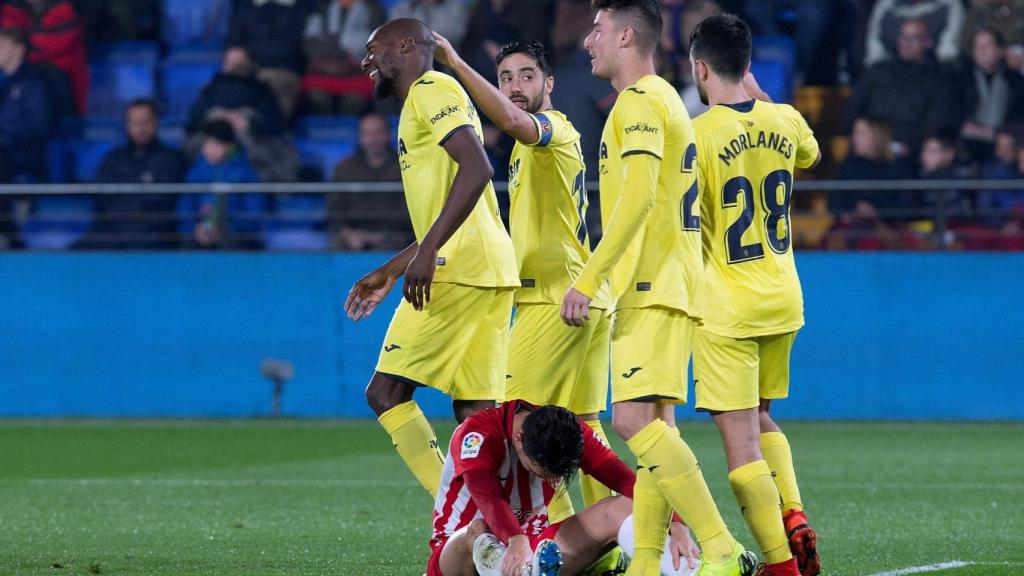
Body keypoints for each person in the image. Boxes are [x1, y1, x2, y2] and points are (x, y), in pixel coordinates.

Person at [560, 2, 755, 575]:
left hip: (651, 283)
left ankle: (722, 548)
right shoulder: (667, 96)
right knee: (656, 432)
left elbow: (638, 198)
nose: (588, 40)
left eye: (597, 30)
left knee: (632, 424)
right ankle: (647, 560)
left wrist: (590, 278)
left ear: (625, 35)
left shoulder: (641, 101)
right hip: (670, 280)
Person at [433, 34, 615, 513]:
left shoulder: (553, 128)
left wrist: (454, 63)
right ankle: (617, 540)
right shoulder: (526, 148)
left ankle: (543, 544)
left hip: (556, 302)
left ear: (549, 82)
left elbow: (513, 120)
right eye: (505, 78)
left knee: (520, 429)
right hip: (584, 297)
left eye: (526, 76)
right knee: (584, 427)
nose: (514, 87)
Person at [343, 19, 518, 499]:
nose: (367, 63)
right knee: (479, 414)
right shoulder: (434, 96)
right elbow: (451, 198)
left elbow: (478, 167)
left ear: (404, 46)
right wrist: (392, 267)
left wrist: (432, 251)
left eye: (373, 49)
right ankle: (525, 527)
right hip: (487, 268)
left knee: (385, 393)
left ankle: (460, 514)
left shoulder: (430, 87)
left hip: (457, 269)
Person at [688, 14, 821, 576]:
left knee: (739, 443)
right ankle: (791, 512)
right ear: (747, 67)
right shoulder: (787, 119)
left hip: (727, 307)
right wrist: (760, 98)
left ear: (699, 67)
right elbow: (810, 155)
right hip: (784, 299)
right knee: (761, 419)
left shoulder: (696, 135)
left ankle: (780, 566)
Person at [427, 402, 701, 576]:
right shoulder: (477, 434)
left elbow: (627, 480)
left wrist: (675, 523)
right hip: (459, 555)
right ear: (519, 440)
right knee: (478, 530)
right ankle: (512, 571)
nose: (553, 480)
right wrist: (515, 539)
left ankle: (690, 570)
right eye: (541, 471)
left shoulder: (566, 431)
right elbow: (486, 496)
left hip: (537, 552)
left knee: (619, 506)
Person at [844, 18, 959, 163]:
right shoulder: (877, 71)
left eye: (913, 38)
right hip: (869, 148)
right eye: (904, 37)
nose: (906, 43)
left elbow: (936, 121)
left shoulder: (937, 80)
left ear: (927, 42)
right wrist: (862, 137)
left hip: (911, 155)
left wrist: (912, 145)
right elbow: (851, 109)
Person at [87, 99, 186, 250]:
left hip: (154, 234)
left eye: (146, 122)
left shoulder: (171, 159)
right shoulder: (113, 159)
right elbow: (102, 197)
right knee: (76, 252)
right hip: (114, 230)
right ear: (126, 125)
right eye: (135, 122)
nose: (141, 128)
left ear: (156, 123)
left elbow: (164, 201)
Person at [179, 120, 266, 250]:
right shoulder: (194, 173)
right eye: (208, 143)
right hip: (200, 235)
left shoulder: (247, 174)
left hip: (236, 237)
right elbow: (185, 207)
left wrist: (226, 230)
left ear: (230, 146)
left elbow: (254, 214)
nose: (211, 149)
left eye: (218, 144)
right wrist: (194, 229)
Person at [329, 112, 409, 250]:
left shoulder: (406, 166)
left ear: (389, 134)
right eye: (367, 133)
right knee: (335, 246)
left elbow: (410, 211)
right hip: (353, 236)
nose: (373, 139)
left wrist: (382, 236)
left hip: (396, 235)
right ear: (359, 137)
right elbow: (334, 210)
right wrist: (348, 234)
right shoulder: (344, 168)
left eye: (378, 132)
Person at [227, 0, 315, 119]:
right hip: (249, 69)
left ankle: (268, 132)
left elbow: (298, 47)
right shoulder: (245, 6)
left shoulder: (302, 7)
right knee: (227, 84)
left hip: (283, 69)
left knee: (274, 82)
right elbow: (234, 45)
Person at [0, 0, 88, 115]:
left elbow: (56, 43)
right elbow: (10, 33)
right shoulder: (13, 6)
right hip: (22, 67)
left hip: (61, 71)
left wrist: (24, 42)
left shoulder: (64, 8)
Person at [302, 0, 386, 114]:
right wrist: (332, 61)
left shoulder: (374, 10)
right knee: (317, 97)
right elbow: (310, 43)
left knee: (354, 101)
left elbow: (376, 45)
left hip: (357, 73)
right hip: (324, 72)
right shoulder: (322, 8)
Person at [956, 27, 1024, 163]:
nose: (981, 50)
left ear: (1000, 51)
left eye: (987, 45)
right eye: (977, 46)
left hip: (1005, 140)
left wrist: (999, 133)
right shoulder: (959, 79)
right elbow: (951, 113)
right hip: (967, 141)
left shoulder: (1016, 81)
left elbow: (1019, 114)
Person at [864, 0, 965, 66]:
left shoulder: (950, 5)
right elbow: (875, 54)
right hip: (891, 74)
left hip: (933, 73)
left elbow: (949, 54)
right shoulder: (885, 6)